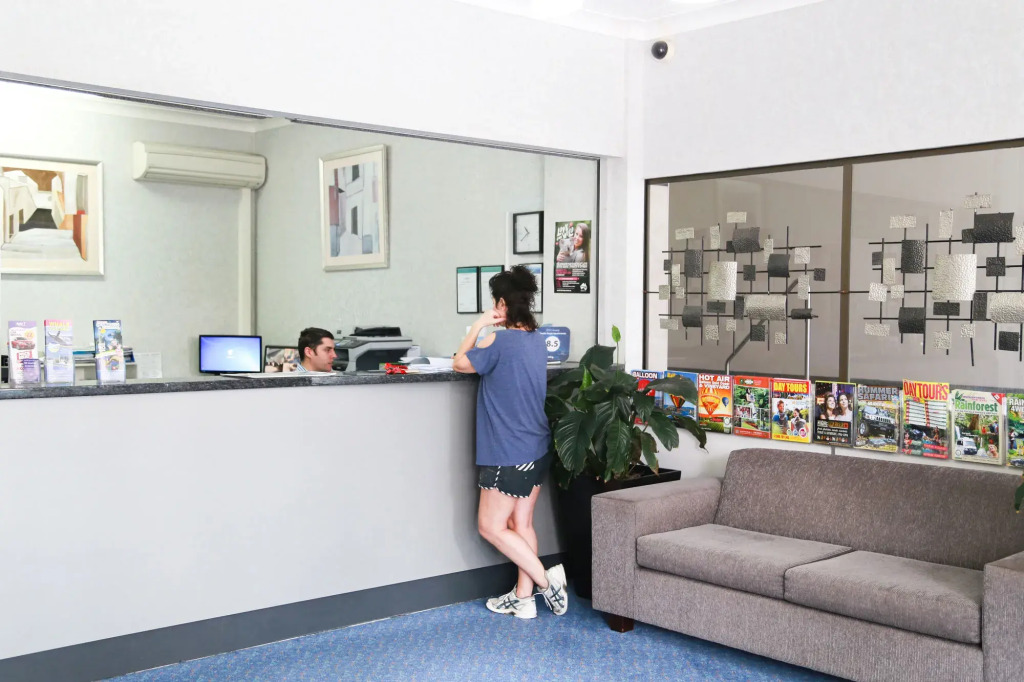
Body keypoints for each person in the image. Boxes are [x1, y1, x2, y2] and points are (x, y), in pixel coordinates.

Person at [453, 264, 567, 620]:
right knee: (522, 524)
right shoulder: (537, 339)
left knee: (490, 527)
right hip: (536, 445)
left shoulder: (497, 340)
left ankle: (547, 583)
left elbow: (459, 364)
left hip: (507, 451)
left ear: (501, 303)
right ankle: (523, 598)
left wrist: (478, 326)